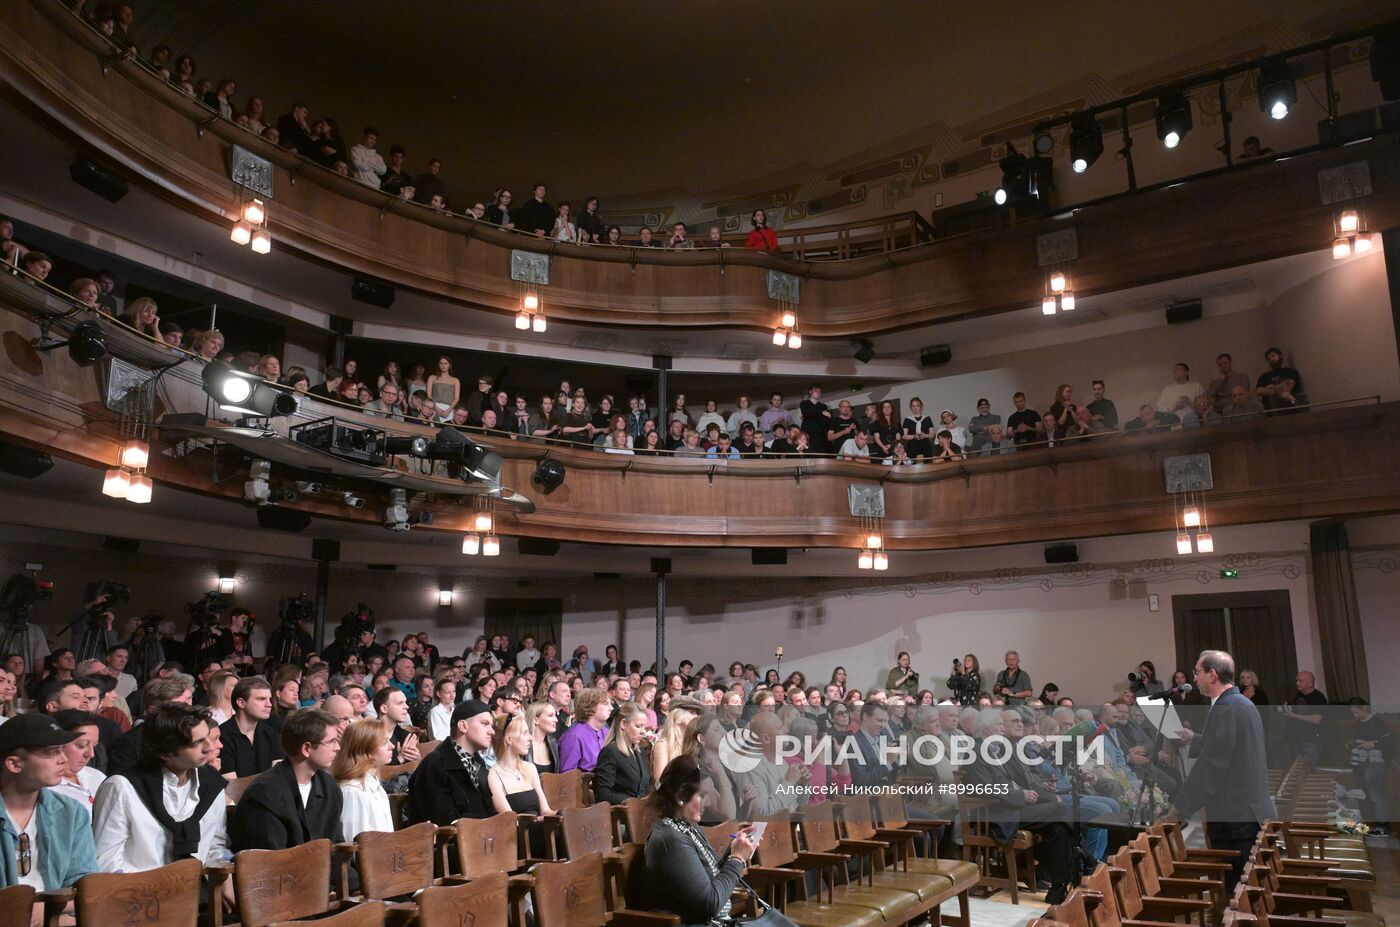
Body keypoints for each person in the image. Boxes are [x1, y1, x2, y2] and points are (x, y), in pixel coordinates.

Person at [1171, 650, 1275, 892]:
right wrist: (1195, 739)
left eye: (1197, 672)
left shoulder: (1226, 708)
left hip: (1236, 816)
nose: (1194, 678)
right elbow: (1231, 747)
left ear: (1212, 674)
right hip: (1247, 812)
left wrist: (1179, 809)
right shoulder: (1241, 703)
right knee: (1243, 894)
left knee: (1236, 895)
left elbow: (1212, 765)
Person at [92, 704, 228, 874]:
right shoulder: (122, 788)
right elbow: (106, 863)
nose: (210, 747)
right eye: (197, 742)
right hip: (138, 893)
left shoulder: (212, 783)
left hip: (196, 891)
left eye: (208, 737)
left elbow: (215, 846)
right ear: (166, 753)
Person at [963, 708, 1072, 904]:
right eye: (999, 725)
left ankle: (1059, 888)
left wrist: (1037, 794)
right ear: (986, 729)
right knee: (1060, 811)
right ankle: (1080, 867)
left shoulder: (1000, 750)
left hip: (1015, 809)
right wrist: (1019, 796)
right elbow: (984, 789)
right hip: (996, 814)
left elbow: (1024, 779)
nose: (1003, 730)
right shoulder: (975, 752)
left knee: (1058, 827)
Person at [643, 756, 757, 925]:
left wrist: (735, 849)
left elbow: (711, 880)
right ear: (681, 796)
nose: (709, 802)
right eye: (703, 795)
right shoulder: (670, 839)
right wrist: (737, 859)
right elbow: (709, 904)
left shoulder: (686, 826)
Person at [0, 714, 98, 902]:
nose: (63, 759)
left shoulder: (71, 812)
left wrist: (47, 912)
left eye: (62, 750)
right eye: (51, 752)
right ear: (14, 764)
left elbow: (84, 887)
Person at [229, 709, 344, 851]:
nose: (338, 748)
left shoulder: (329, 786)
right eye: (332, 742)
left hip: (323, 871)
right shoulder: (265, 793)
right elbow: (268, 858)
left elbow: (337, 845)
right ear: (306, 748)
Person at [406, 699, 495, 824]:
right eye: (485, 724)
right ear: (463, 726)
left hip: (483, 838)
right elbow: (443, 821)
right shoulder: (435, 763)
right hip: (451, 841)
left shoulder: (478, 763)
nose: (492, 731)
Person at [486, 714, 554, 854]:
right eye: (524, 733)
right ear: (509, 739)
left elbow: (546, 811)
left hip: (538, 831)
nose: (530, 738)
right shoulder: (493, 775)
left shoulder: (530, 768)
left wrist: (562, 814)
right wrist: (540, 820)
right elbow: (510, 820)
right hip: (517, 839)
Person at [331, 718, 394, 841]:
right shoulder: (352, 792)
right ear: (365, 750)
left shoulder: (374, 785)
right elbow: (353, 846)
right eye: (385, 742)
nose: (391, 746)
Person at [219, 676, 284, 779]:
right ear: (241, 703)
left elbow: (279, 777)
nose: (269, 704)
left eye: (269, 699)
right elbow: (231, 785)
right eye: (261, 699)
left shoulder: (271, 733)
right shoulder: (222, 736)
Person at [1346, 698, 1392, 837]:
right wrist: (1351, 744)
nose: (1355, 716)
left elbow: (1389, 743)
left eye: (1356, 712)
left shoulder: (1377, 722)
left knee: (1376, 795)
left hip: (1374, 764)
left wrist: (1372, 744)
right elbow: (1353, 739)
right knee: (1359, 794)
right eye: (1353, 713)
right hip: (1359, 763)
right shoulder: (1357, 724)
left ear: (1364, 708)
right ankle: (1360, 825)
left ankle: (1382, 827)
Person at [592, 703, 652, 804]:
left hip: (639, 813)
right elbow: (603, 794)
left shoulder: (640, 750)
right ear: (623, 724)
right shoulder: (610, 751)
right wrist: (633, 802)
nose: (643, 731)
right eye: (638, 726)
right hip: (619, 814)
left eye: (643, 727)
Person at [47, 710, 105, 815]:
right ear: (58, 744)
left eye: (95, 746)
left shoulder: (97, 776)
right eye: (82, 745)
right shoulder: (46, 787)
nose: (91, 754)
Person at [558, 688, 610, 772]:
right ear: (591, 707)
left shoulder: (606, 732)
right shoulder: (574, 736)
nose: (611, 708)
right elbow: (567, 775)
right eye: (606, 704)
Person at [1283, 671, 1327, 765]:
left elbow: (1317, 719)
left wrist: (1293, 715)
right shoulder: (1298, 695)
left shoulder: (1318, 697)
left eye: (1300, 681)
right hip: (1298, 739)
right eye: (1297, 680)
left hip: (1312, 740)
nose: (1297, 683)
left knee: (1310, 770)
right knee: (1299, 771)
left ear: (1310, 683)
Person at [1256, 347, 1308, 413]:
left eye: (1273, 356)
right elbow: (1259, 391)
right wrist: (1279, 390)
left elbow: (1288, 386)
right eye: (1268, 358)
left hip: (1290, 406)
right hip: (1271, 410)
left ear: (1281, 356)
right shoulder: (1264, 376)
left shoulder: (1290, 371)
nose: (1271, 359)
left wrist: (1270, 387)